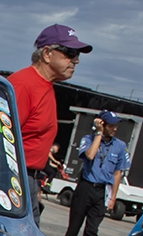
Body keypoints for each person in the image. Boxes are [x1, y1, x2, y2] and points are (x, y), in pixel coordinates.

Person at [13, 24, 91, 222]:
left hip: (29, 179)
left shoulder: (46, 86)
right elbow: (1, 139)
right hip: (14, 179)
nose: (76, 60)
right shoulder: (23, 85)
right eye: (70, 52)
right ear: (47, 54)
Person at [61, 110, 129, 236]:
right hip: (85, 188)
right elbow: (90, 155)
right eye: (111, 125)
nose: (115, 129)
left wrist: (113, 198)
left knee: (92, 230)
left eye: (116, 125)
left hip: (100, 191)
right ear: (102, 124)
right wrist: (98, 133)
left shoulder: (120, 146)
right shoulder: (88, 139)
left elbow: (117, 173)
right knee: (74, 227)